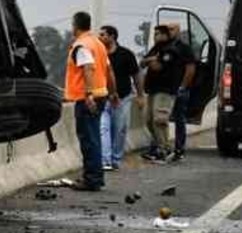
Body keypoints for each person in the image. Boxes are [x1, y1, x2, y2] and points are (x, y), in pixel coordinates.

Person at [63, 11, 113, 191]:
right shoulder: (98, 44)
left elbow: (88, 68)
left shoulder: (82, 45)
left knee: (89, 139)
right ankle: (95, 177)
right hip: (101, 95)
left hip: (87, 99)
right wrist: (112, 92)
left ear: (75, 26)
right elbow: (108, 70)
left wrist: (89, 95)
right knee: (94, 138)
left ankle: (91, 179)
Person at [98, 25, 144, 171]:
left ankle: (115, 158)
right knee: (103, 128)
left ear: (112, 37)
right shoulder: (99, 54)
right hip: (104, 98)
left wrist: (141, 95)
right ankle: (105, 160)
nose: (100, 37)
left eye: (103, 35)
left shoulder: (126, 54)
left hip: (123, 98)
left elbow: (136, 75)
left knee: (119, 129)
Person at [141, 25, 177, 162]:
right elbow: (142, 63)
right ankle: (159, 147)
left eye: (158, 34)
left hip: (165, 89)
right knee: (149, 120)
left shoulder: (170, 50)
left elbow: (158, 66)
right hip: (152, 89)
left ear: (166, 35)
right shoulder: (155, 49)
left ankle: (165, 149)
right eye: (155, 34)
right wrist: (151, 59)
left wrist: (150, 60)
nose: (155, 37)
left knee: (160, 119)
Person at [166, 25, 198, 162]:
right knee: (161, 119)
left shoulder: (185, 48)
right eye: (167, 30)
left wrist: (183, 87)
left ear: (178, 32)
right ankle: (162, 148)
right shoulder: (163, 47)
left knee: (179, 119)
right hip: (165, 89)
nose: (169, 32)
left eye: (172, 29)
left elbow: (190, 68)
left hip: (179, 89)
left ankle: (179, 149)